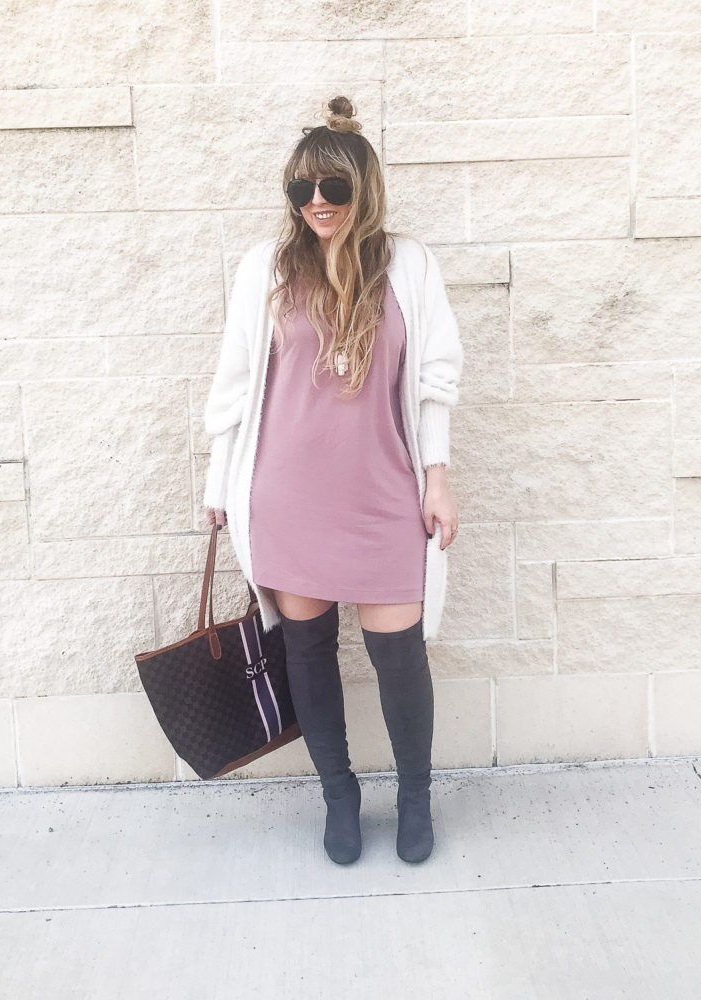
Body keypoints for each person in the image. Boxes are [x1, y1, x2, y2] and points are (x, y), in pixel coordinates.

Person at [202, 95, 463, 866]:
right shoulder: (268, 268)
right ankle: (339, 797)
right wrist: (221, 485)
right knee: (308, 656)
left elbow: (433, 383)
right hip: (286, 497)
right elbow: (235, 381)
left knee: (399, 659)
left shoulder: (408, 266)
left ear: (363, 188)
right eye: (302, 189)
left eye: (333, 187)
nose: (317, 202)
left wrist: (437, 480)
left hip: (384, 497)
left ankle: (414, 796)